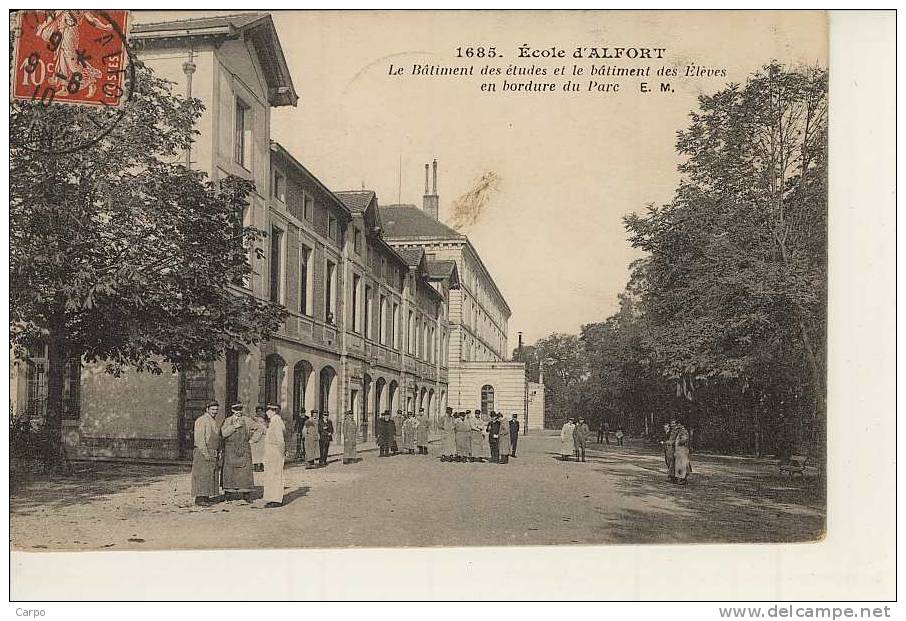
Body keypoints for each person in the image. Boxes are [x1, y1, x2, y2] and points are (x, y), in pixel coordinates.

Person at [221, 403, 255, 501]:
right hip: (230, 449)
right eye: (236, 409)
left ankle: (246, 494)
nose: (238, 411)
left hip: (244, 449)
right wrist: (234, 427)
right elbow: (223, 434)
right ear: (232, 410)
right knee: (229, 472)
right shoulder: (227, 421)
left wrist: (253, 440)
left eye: (240, 409)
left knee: (245, 472)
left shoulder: (247, 420)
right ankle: (228, 493)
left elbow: (259, 428)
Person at [191, 401, 221, 506]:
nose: (214, 412)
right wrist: (205, 452)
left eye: (216, 410)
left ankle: (206, 496)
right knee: (202, 475)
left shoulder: (213, 421)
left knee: (209, 475)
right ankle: (200, 498)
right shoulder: (201, 420)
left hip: (212, 451)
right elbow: (200, 439)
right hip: (203, 451)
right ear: (207, 409)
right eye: (212, 410)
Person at [263, 404, 286, 508]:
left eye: (268, 411)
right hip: (271, 452)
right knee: (271, 476)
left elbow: (280, 440)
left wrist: (281, 454)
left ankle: (276, 499)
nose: (266, 413)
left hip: (275, 452)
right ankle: (272, 498)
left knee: (275, 476)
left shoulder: (276, 421)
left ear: (273, 411)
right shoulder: (274, 421)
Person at [249, 405, 268, 486]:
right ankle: (256, 465)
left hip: (262, 439)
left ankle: (260, 465)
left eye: (261, 411)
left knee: (261, 453)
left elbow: (265, 429)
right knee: (255, 453)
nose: (260, 413)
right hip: (255, 438)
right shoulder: (254, 419)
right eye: (258, 411)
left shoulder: (263, 421)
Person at [672, 419, 692, 484]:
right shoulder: (680, 432)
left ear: (681, 425)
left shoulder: (683, 432)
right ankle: (680, 478)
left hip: (682, 450)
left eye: (678, 425)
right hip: (679, 450)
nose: (677, 426)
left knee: (682, 464)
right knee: (679, 465)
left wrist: (678, 441)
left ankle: (683, 479)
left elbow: (684, 440)